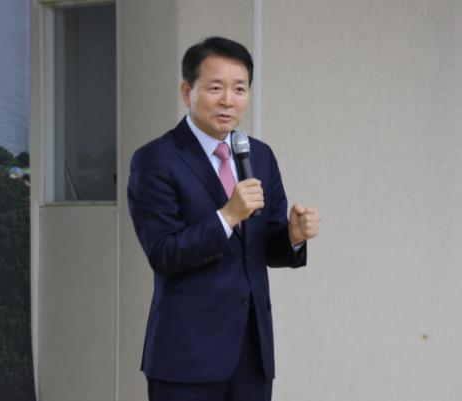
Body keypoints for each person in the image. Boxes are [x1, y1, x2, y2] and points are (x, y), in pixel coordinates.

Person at [127, 36, 320, 401]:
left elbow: (264, 247)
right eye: (215, 88)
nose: (228, 100)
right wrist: (228, 216)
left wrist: (292, 237)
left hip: (252, 354)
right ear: (187, 92)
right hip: (186, 355)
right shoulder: (155, 160)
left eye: (239, 89)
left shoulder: (259, 155)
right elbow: (164, 254)